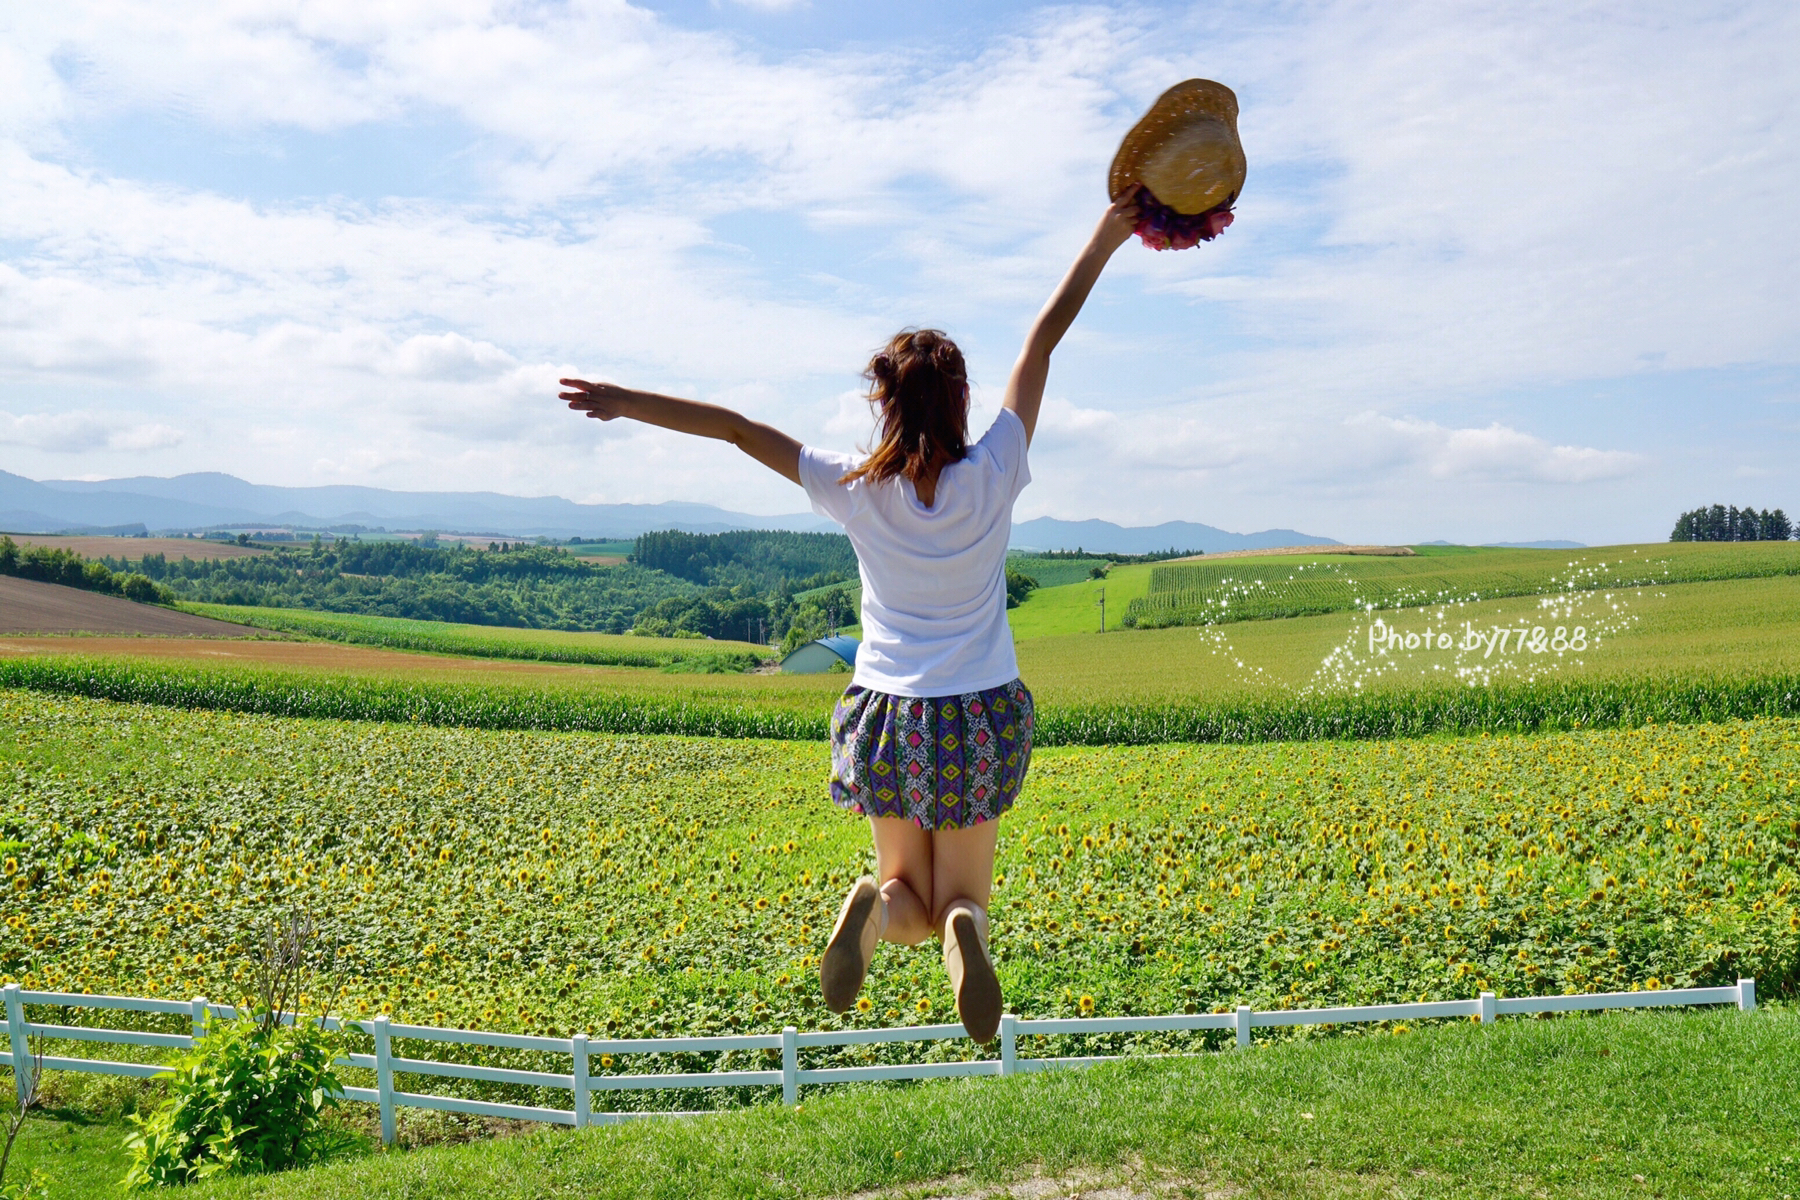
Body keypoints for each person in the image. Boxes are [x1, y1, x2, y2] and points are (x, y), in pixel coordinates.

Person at [559, 189, 1144, 1043]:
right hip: (979, 708)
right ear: (960, 403)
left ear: (887, 407)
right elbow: (1044, 336)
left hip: (888, 713)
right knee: (964, 894)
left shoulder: (858, 489)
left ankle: (873, 913)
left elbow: (734, 429)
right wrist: (1107, 234)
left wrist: (623, 399)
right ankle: (967, 932)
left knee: (904, 888)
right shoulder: (997, 469)